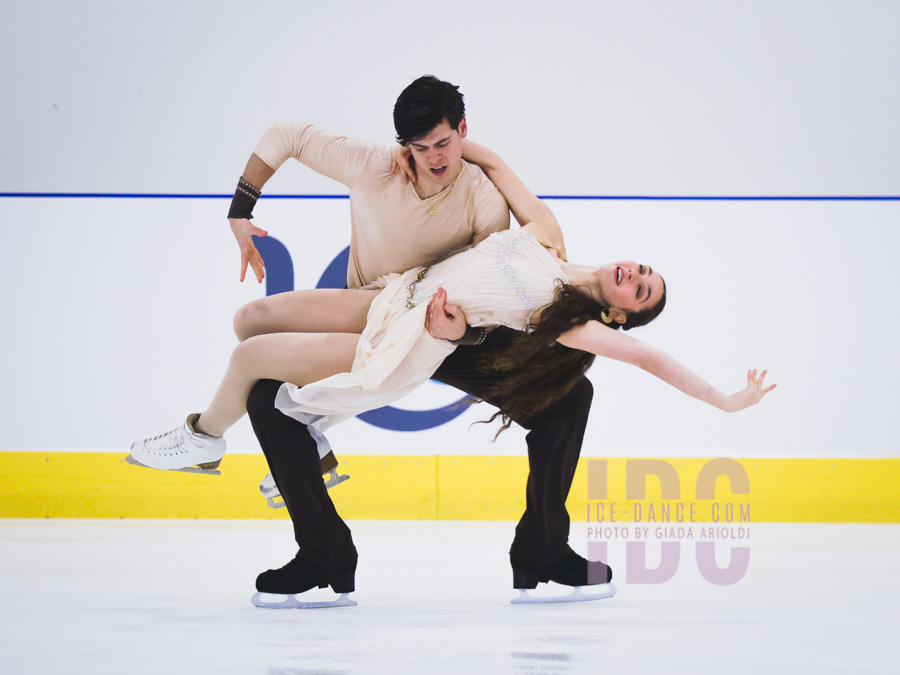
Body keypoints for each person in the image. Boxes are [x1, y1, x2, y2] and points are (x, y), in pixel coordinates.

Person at [129, 78, 775, 604]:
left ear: (620, 317)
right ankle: (318, 503)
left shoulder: (563, 311)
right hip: (397, 294)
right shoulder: (547, 234)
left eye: (640, 290)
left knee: (257, 370)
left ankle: (205, 441)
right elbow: (495, 162)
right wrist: (243, 208)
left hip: (427, 331)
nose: (633, 274)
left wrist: (724, 399)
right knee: (251, 323)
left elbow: (644, 355)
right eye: (642, 269)